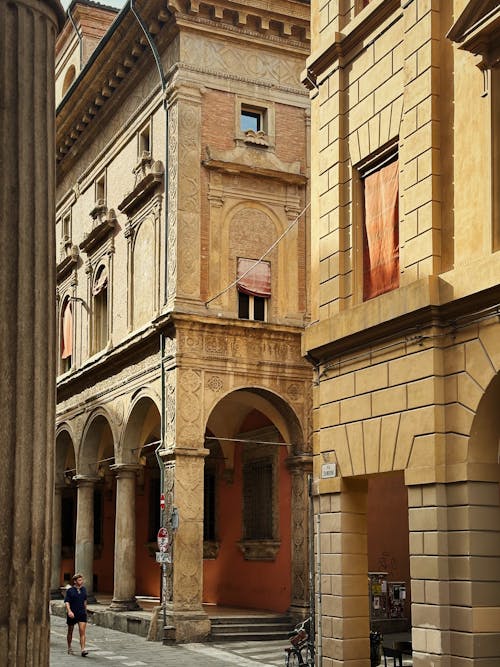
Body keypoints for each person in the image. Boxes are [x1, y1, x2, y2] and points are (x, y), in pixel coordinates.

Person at [64, 573, 89, 657]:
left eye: (82, 580)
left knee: (82, 632)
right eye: (79, 580)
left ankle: (83, 649)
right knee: (70, 631)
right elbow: (67, 602)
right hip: (72, 613)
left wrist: (85, 611)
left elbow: (85, 601)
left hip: (81, 613)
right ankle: (69, 647)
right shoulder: (70, 591)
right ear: (75, 581)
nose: (81, 581)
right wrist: (69, 611)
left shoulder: (84, 590)